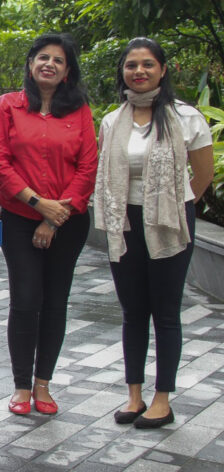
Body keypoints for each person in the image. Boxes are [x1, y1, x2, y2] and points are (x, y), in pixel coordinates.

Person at [93, 37, 213, 429]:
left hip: (170, 222)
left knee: (165, 311)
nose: (139, 71)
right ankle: (134, 394)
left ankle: (163, 398)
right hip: (124, 221)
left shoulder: (186, 117)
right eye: (131, 65)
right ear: (123, 72)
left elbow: (204, 174)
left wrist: (175, 206)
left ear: (163, 69)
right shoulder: (113, 121)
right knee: (132, 312)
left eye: (147, 64)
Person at [0, 32, 97, 416]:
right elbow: (0, 164)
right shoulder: (8, 106)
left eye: (59, 60)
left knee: (55, 303)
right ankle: (20, 386)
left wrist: (54, 217)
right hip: (19, 219)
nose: (49, 64)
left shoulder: (79, 109)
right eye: (42, 57)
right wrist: (38, 205)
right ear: (31, 64)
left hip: (67, 222)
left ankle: (43, 385)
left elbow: (87, 167)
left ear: (67, 71)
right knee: (26, 299)